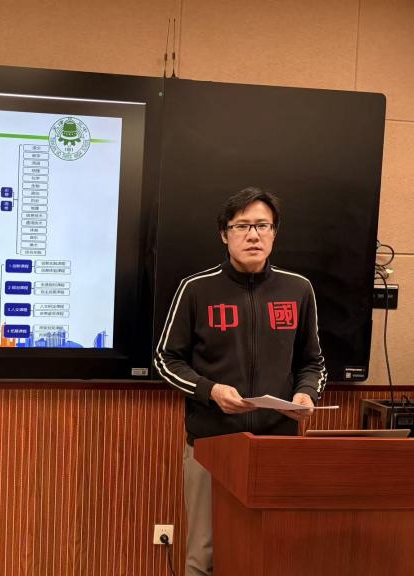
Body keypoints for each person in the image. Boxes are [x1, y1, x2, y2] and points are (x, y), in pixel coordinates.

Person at [154, 187, 327, 576]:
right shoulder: (196, 289)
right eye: (242, 226)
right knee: (205, 556)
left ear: (274, 233)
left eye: (262, 225)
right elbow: (166, 359)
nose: (253, 235)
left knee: (274, 552)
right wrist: (210, 391)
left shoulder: (298, 289)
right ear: (224, 233)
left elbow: (313, 361)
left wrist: (305, 393)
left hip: (277, 445)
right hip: (212, 444)